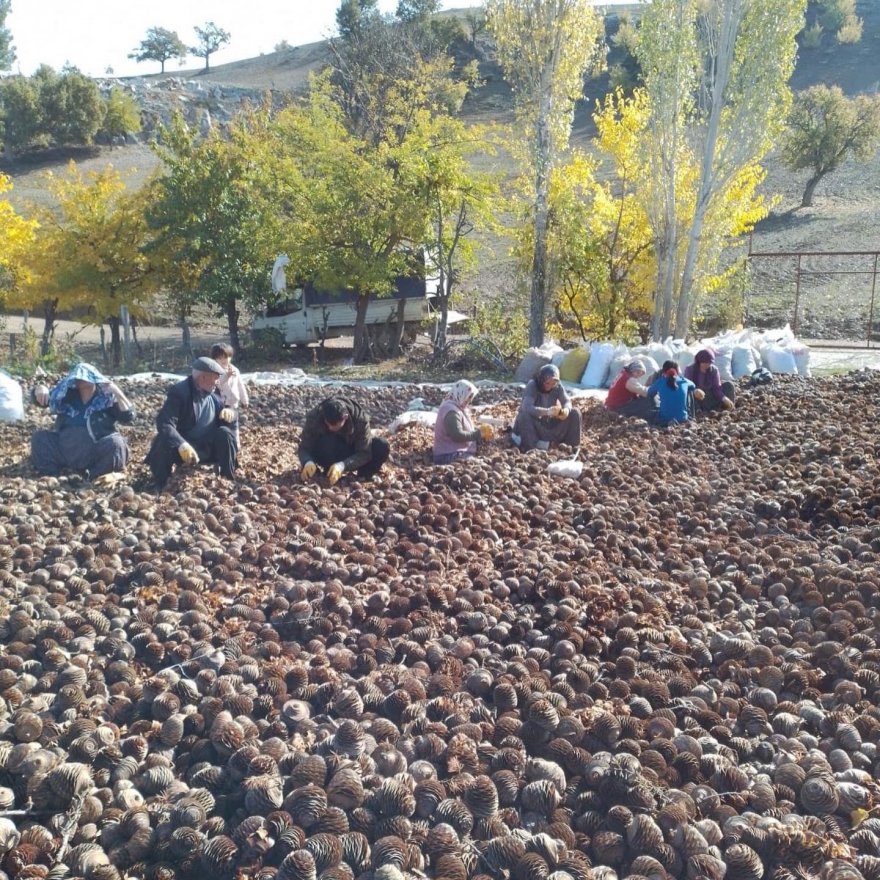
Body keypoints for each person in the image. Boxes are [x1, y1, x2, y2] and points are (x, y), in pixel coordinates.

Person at [31, 363, 134, 485]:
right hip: (65, 447)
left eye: (86, 377)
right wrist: (39, 389)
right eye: (78, 377)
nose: (82, 380)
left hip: (94, 449)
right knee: (39, 438)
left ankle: (93, 476)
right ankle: (53, 475)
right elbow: (41, 400)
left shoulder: (107, 398)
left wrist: (117, 392)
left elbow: (128, 416)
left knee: (116, 444)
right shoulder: (65, 394)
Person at [146, 357, 238, 488]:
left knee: (225, 434)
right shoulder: (179, 392)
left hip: (208, 446)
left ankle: (227, 480)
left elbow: (229, 410)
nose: (217, 382)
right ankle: (161, 484)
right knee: (162, 440)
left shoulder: (213, 391)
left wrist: (230, 412)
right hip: (183, 449)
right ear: (202, 378)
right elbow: (165, 423)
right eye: (215, 378)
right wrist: (181, 444)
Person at [299, 396, 390, 484]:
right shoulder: (315, 417)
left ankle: (363, 476)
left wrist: (342, 465)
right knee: (328, 440)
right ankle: (324, 473)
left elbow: (364, 452)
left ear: (345, 417)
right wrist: (307, 461)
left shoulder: (360, 419)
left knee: (381, 445)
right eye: (328, 424)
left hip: (350, 452)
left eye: (335, 425)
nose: (330, 427)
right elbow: (304, 447)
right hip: (326, 451)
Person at [512, 363, 582, 452]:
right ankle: (530, 448)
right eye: (547, 383)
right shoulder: (532, 385)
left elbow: (567, 401)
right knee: (524, 415)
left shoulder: (557, 386)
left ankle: (570, 447)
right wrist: (547, 412)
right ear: (541, 380)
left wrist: (566, 411)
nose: (550, 386)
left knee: (575, 413)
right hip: (534, 427)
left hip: (548, 424)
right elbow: (527, 407)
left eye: (553, 383)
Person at [433, 379, 494, 464]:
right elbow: (457, 435)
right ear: (461, 393)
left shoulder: (456, 407)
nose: (469, 401)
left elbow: (461, 428)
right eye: (468, 397)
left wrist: (479, 431)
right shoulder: (450, 411)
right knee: (480, 465)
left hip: (453, 452)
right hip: (447, 455)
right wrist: (478, 434)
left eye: (470, 398)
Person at [646, 360, 698, 426]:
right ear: (677, 371)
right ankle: (690, 415)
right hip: (682, 419)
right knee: (690, 390)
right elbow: (693, 385)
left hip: (664, 419)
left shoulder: (660, 381)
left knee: (652, 396)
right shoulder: (683, 381)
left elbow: (649, 392)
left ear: (663, 371)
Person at [211, 343, 250, 415]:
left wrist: (245, 400)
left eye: (225, 357)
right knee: (223, 422)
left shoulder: (235, 370)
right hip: (221, 403)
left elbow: (240, 386)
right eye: (219, 358)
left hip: (234, 403)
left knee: (234, 421)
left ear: (230, 357)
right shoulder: (215, 371)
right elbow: (217, 384)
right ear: (215, 359)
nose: (223, 360)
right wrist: (226, 376)